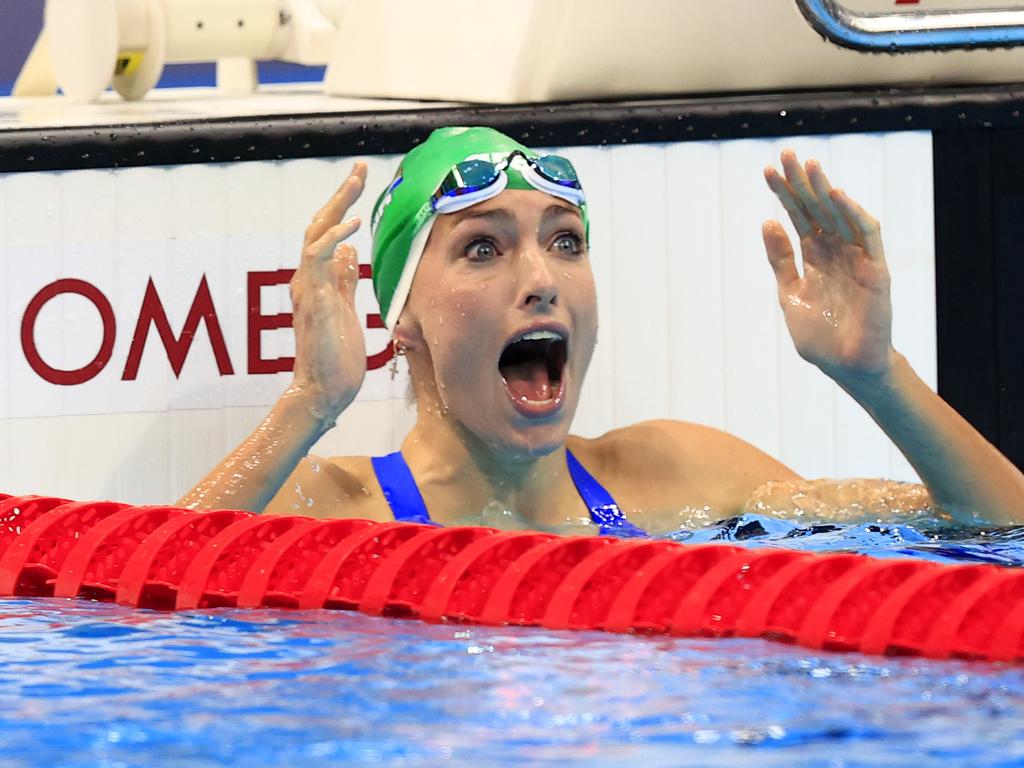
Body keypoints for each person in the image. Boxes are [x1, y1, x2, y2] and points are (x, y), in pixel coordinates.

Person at [177, 126, 1024, 534]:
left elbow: (999, 533)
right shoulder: (336, 508)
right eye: (483, 248)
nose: (541, 279)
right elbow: (138, 598)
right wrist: (310, 401)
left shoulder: (676, 474)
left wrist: (876, 375)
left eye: (564, 241)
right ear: (405, 322)